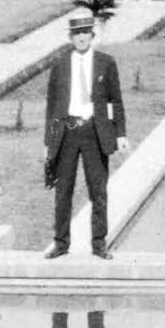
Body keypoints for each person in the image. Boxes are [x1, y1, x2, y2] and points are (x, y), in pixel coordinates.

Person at [44, 14, 128, 260]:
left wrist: (120, 133)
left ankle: (99, 244)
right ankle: (60, 243)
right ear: (71, 37)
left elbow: (116, 102)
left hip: (95, 133)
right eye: (76, 33)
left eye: (85, 33)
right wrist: (48, 142)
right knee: (63, 191)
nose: (81, 37)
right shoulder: (59, 64)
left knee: (98, 190)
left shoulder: (106, 63)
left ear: (92, 35)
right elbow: (51, 108)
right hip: (66, 133)